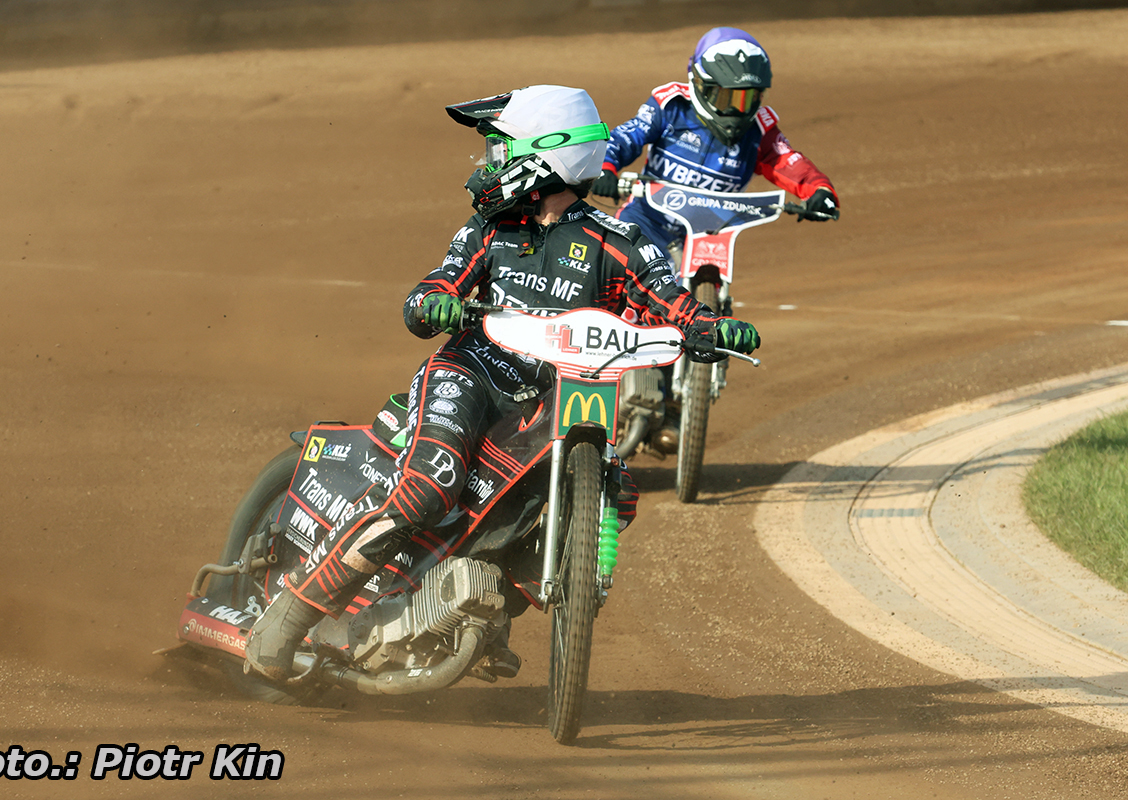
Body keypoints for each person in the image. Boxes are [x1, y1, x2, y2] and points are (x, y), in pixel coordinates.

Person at [243, 85, 761, 684]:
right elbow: (433, 289)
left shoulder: (621, 243)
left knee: (616, 496)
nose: (489, 164)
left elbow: (672, 303)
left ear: (547, 154)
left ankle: (481, 609)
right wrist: (434, 303)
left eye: (501, 150)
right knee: (428, 487)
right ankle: (290, 615)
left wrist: (711, 327)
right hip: (470, 373)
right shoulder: (490, 230)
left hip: (554, 402)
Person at [591, 27, 840, 257]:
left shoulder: (760, 131)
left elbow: (788, 162)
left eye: (746, 99)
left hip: (710, 234)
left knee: (710, 290)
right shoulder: (671, 106)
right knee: (609, 270)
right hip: (646, 221)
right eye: (725, 97)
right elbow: (625, 137)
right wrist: (604, 168)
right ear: (700, 84)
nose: (735, 110)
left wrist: (820, 190)